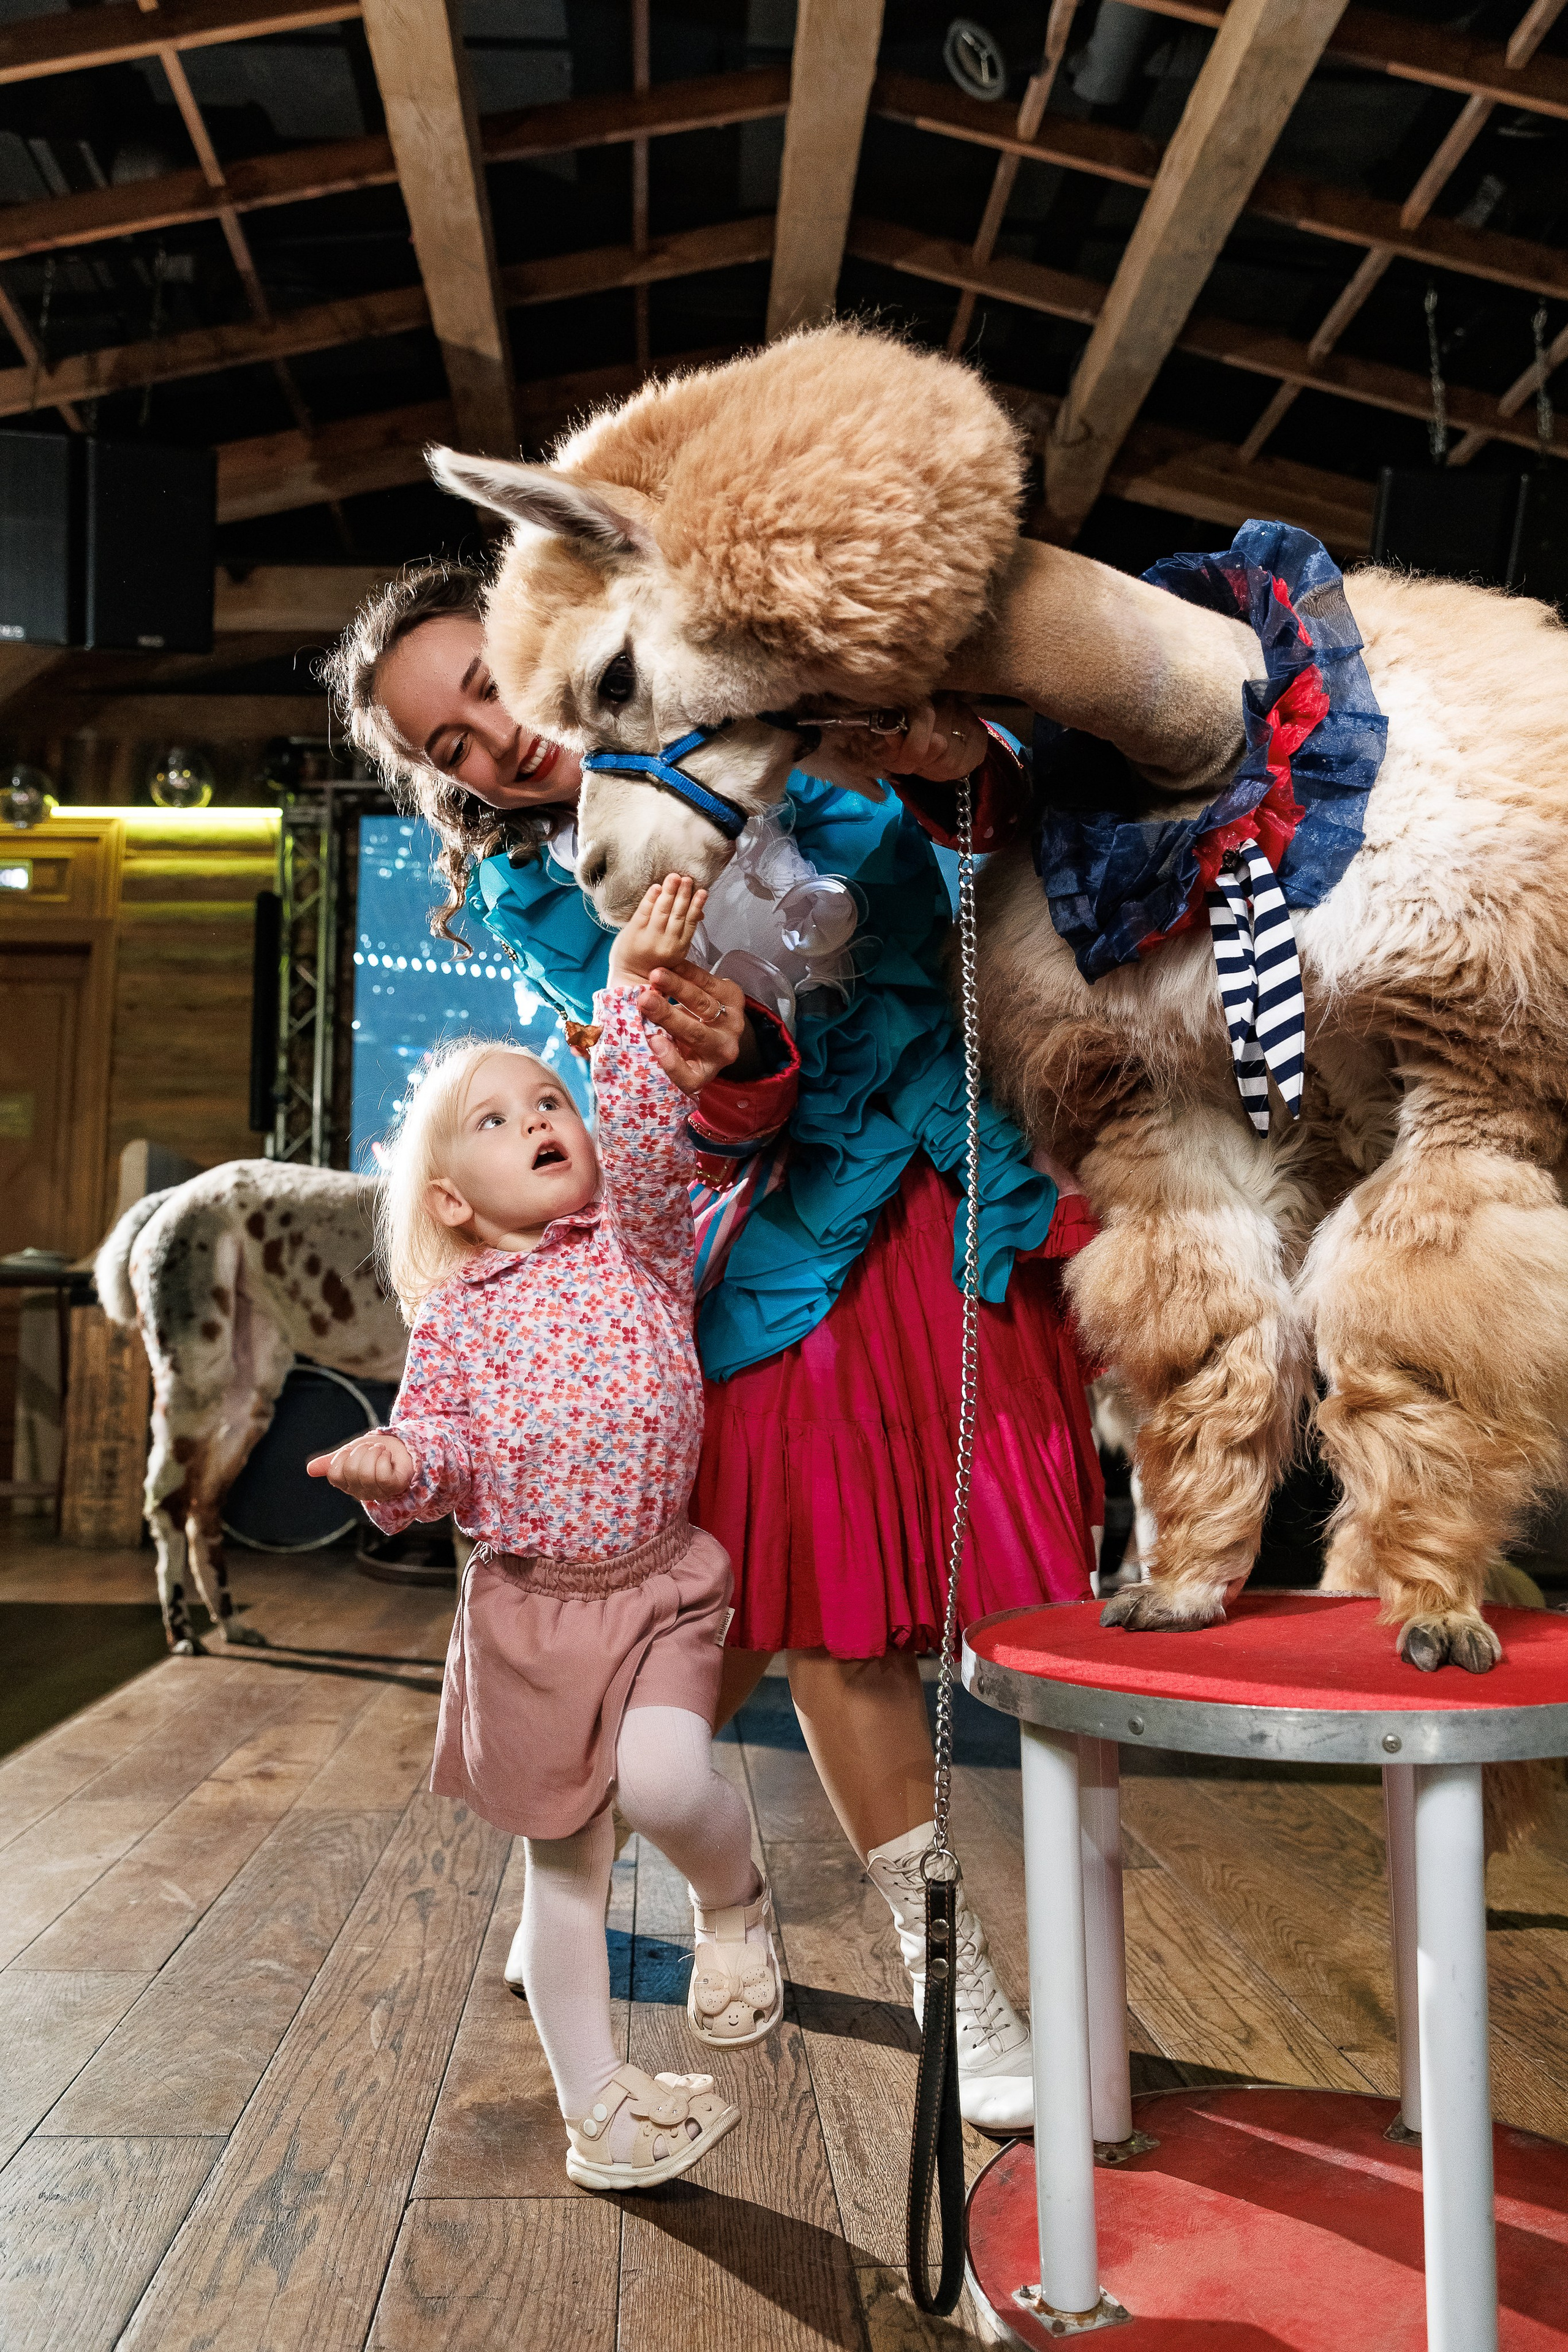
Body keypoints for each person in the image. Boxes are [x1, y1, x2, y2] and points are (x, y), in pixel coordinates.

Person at [326, 562, 1104, 2134]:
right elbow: (665, 1128)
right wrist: (728, 1062)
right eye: (447, 748)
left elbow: (1003, 831)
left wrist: (940, 755)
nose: (489, 742)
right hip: (793, 1244)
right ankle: (939, 1970)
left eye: (486, 685)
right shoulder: (544, 890)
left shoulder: (766, 701)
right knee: (817, 1615)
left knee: (761, 1608)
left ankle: (588, 1866)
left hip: (968, 1188)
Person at [309, 875, 784, 2192]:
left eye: (548, 1101)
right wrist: (397, 1460)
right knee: (561, 1877)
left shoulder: (631, 1242)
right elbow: (445, 1447)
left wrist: (625, 998)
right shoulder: (457, 1318)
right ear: (450, 1198)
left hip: (657, 1590)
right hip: (525, 1615)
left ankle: (732, 1904)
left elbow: (642, 1136)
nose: (540, 1120)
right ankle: (604, 2122)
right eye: (498, 1117)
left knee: (671, 1786)